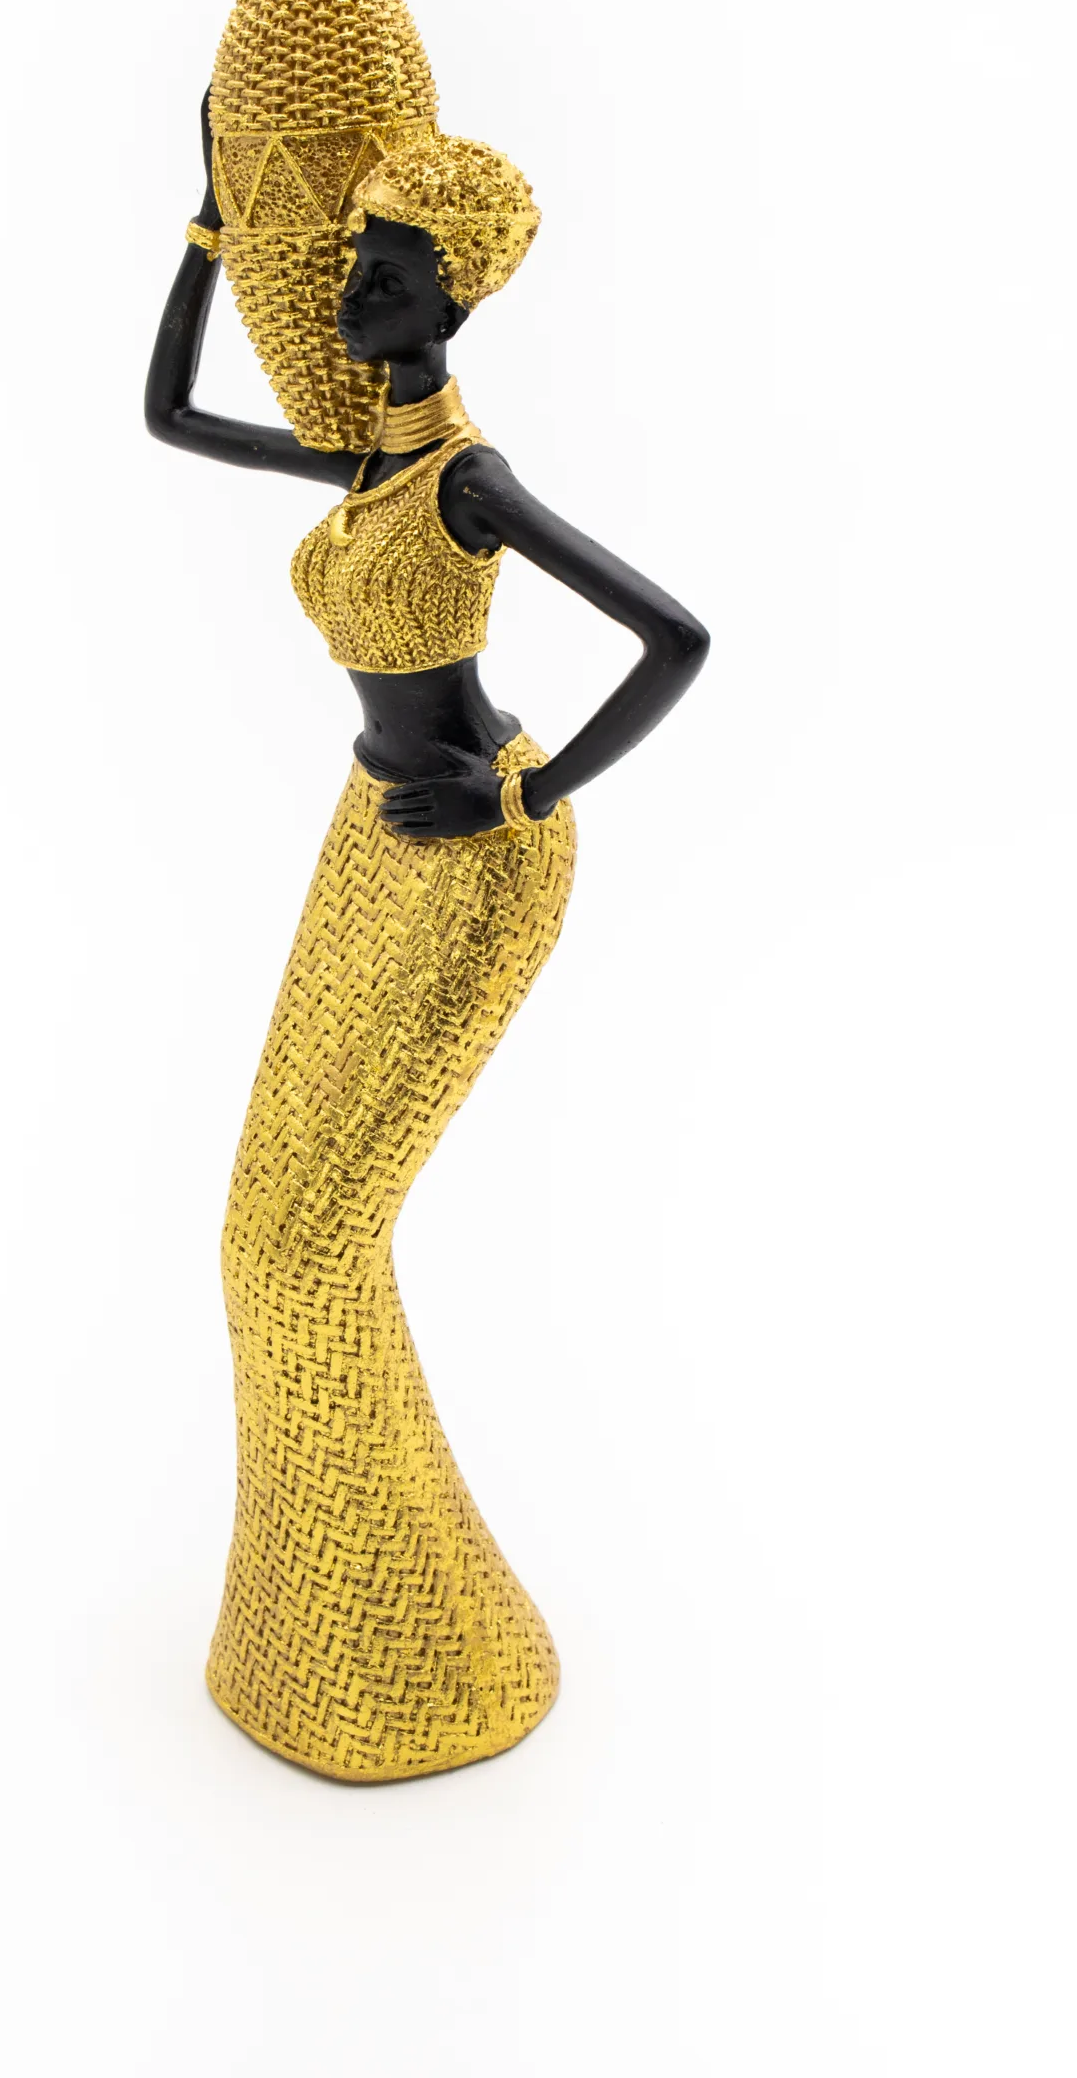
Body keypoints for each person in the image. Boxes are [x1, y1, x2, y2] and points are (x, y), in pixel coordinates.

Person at [144, 109, 709, 1781]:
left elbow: (674, 639)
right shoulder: (368, 465)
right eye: (348, 271)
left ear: (452, 300)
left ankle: (408, 1646)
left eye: (383, 279)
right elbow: (168, 415)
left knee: (303, 1243)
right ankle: (333, 1620)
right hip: (366, 830)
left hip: (470, 860)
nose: (350, 301)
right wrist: (205, 228)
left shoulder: (464, 481)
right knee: (260, 1223)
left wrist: (526, 793)